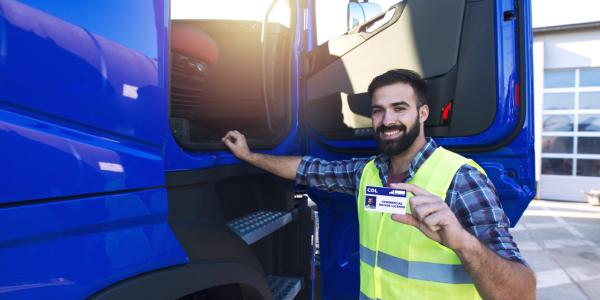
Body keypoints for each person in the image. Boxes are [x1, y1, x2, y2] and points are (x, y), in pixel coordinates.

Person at [222, 69, 535, 299]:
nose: (387, 121)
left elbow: (521, 292)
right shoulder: (367, 173)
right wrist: (250, 156)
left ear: (423, 113)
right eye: (378, 111)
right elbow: (306, 169)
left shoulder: (461, 179)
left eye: (399, 108)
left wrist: (463, 243)